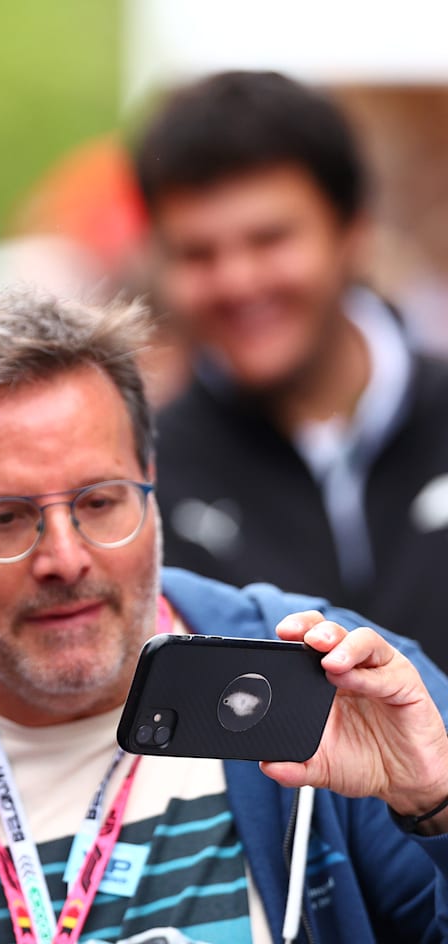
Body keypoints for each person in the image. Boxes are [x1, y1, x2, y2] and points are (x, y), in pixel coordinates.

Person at [0, 289, 448, 943]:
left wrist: (437, 807)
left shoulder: (330, 688)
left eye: (100, 502)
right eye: (5, 518)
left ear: (152, 489)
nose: (65, 558)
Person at [133, 70, 448, 668]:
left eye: (269, 239)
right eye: (198, 253)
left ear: (352, 232)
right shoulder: (146, 475)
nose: (237, 281)